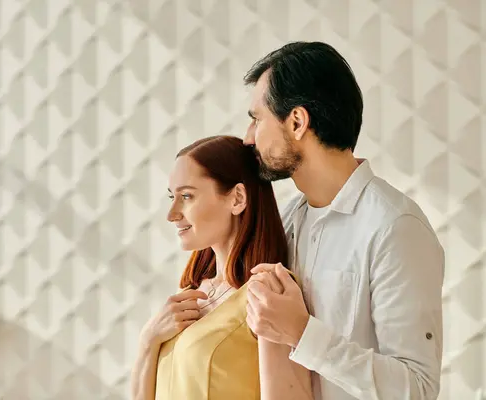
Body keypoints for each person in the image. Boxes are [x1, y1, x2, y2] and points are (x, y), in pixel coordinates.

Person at [242, 41, 445, 400]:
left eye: (256, 119)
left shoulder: (395, 227)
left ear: (297, 121)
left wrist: (304, 333)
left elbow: (418, 389)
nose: (248, 138)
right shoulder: (286, 222)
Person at [130, 135, 314, 400]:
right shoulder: (192, 295)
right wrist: (148, 342)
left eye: (186, 196)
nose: (172, 214)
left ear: (237, 198)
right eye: (173, 197)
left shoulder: (268, 293)